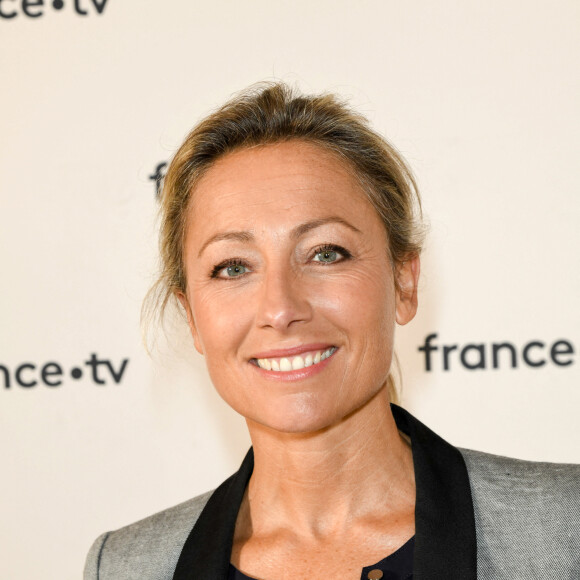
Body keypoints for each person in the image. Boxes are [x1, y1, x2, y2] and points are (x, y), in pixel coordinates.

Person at [84, 83, 580, 580]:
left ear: (404, 281)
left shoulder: (565, 528)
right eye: (233, 267)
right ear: (191, 316)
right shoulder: (127, 567)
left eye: (326, 253)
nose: (280, 309)